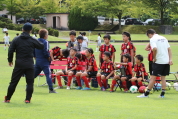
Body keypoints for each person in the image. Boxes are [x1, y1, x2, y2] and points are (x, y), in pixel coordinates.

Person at [4, 23, 44, 103]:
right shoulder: (32, 39)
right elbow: (41, 46)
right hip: (29, 63)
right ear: (30, 31)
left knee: (13, 82)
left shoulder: (16, 39)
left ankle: (8, 98)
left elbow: (10, 50)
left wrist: (10, 60)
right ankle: (27, 99)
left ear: (22, 29)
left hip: (19, 63)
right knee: (30, 83)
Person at [137, 29, 173, 98]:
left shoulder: (153, 39)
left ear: (149, 34)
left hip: (159, 61)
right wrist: (170, 59)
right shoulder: (164, 38)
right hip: (166, 60)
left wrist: (154, 57)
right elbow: (169, 49)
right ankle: (162, 94)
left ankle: (146, 94)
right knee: (163, 78)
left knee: (153, 77)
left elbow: (155, 49)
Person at [34, 29, 57, 93]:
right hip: (44, 61)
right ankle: (51, 89)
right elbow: (45, 51)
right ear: (45, 35)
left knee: (33, 75)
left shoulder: (36, 41)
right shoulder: (45, 42)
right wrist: (48, 57)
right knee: (48, 75)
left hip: (38, 60)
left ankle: (28, 86)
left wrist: (35, 56)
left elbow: (33, 50)